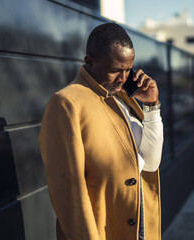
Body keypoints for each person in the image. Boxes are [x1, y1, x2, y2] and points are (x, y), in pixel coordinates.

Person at [39, 23, 164, 240]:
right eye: (116, 69)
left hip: (138, 220)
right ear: (90, 61)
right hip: (103, 229)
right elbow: (69, 193)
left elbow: (150, 164)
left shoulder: (124, 97)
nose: (124, 78)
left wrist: (152, 107)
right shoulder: (67, 103)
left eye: (128, 69)